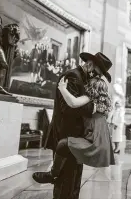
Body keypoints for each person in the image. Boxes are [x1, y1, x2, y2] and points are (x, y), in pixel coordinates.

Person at [33, 52, 113, 199]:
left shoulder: (85, 80)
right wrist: (96, 107)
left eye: (99, 76)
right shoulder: (72, 76)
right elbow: (69, 107)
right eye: (96, 73)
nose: (97, 77)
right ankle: (52, 175)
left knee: (74, 180)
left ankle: (54, 175)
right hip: (66, 133)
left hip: (78, 135)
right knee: (65, 182)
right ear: (90, 64)